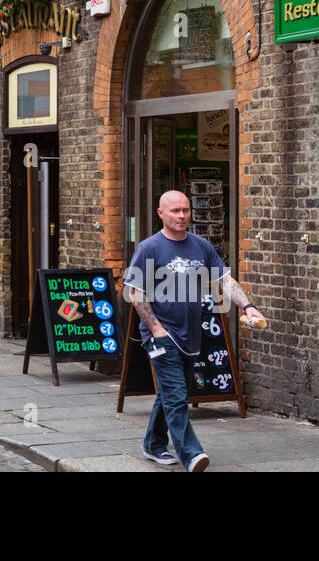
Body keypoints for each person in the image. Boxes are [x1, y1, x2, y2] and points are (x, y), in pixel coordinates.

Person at [123, 190, 266, 472]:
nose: (181, 216)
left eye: (185, 210)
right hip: (163, 336)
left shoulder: (201, 246)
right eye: (175, 210)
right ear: (160, 213)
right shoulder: (149, 248)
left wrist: (247, 307)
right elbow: (135, 293)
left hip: (192, 334)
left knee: (171, 393)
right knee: (177, 397)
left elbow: (226, 280)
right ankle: (191, 455)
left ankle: (152, 444)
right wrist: (156, 329)